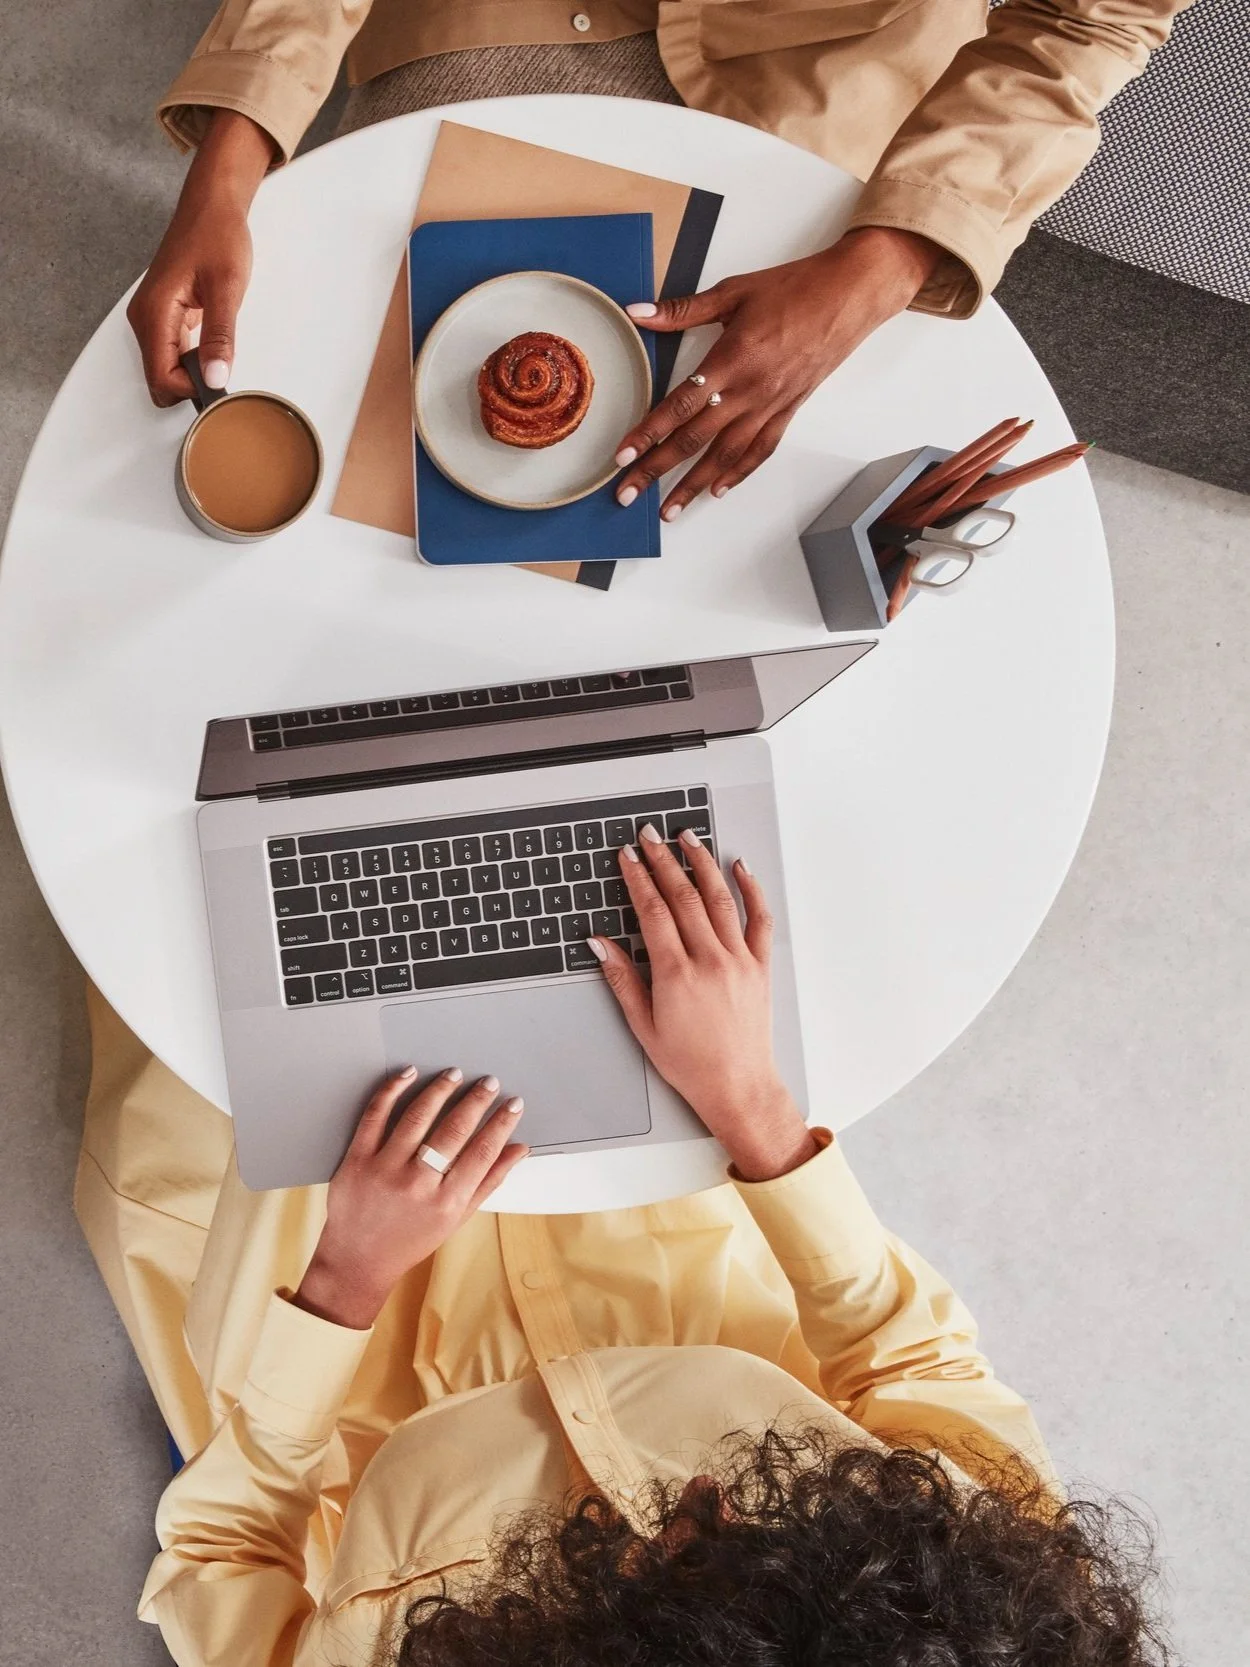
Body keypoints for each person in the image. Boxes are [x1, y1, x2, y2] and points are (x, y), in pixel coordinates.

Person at [77, 825, 1171, 1666]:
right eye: (746, 1522)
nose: (691, 1499)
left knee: (180, 891)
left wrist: (342, 1280)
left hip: (332, 1316)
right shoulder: (981, 1608)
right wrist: (750, 1106)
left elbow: (220, 1553)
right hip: (646, 1212)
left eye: (676, 1557)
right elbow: (910, 1363)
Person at [127, 0, 1188, 520]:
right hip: (501, 14)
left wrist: (886, 262)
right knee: (337, 438)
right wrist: (231, 155)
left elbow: (1087, 17)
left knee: (663, 514)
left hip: (821, 75)